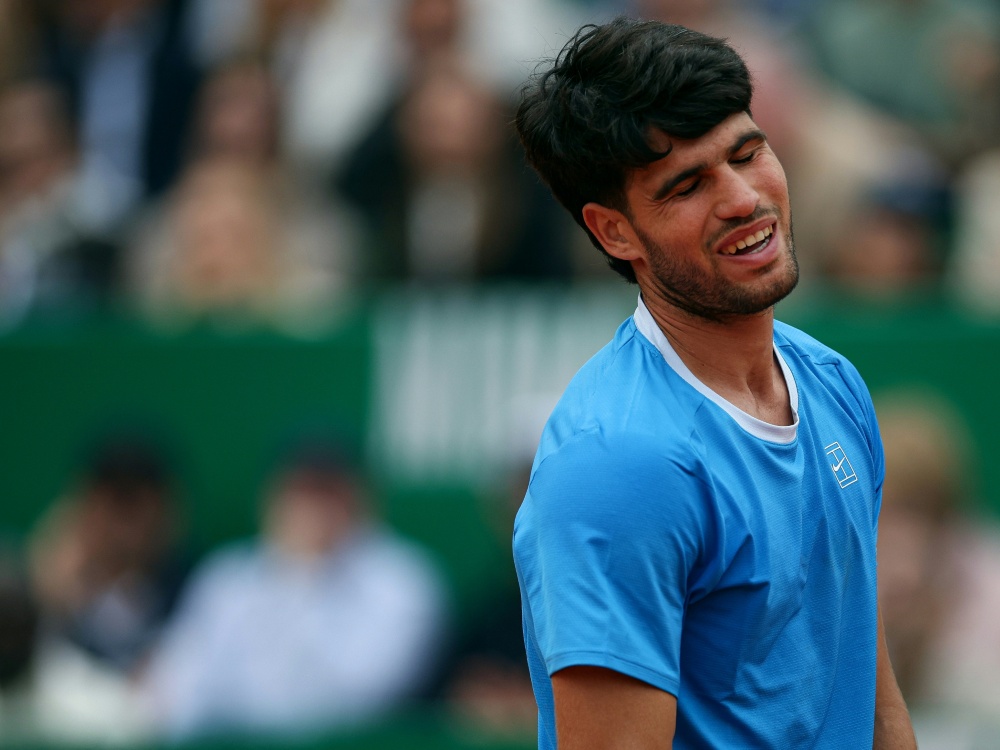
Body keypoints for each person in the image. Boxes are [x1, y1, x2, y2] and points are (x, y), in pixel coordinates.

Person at [511, 16, 916, 749]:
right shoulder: (616, 463)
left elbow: (871, 698)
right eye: (687, 186)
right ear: (614, 232)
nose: (742, 198)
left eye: (747, 153)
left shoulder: (833, 382)